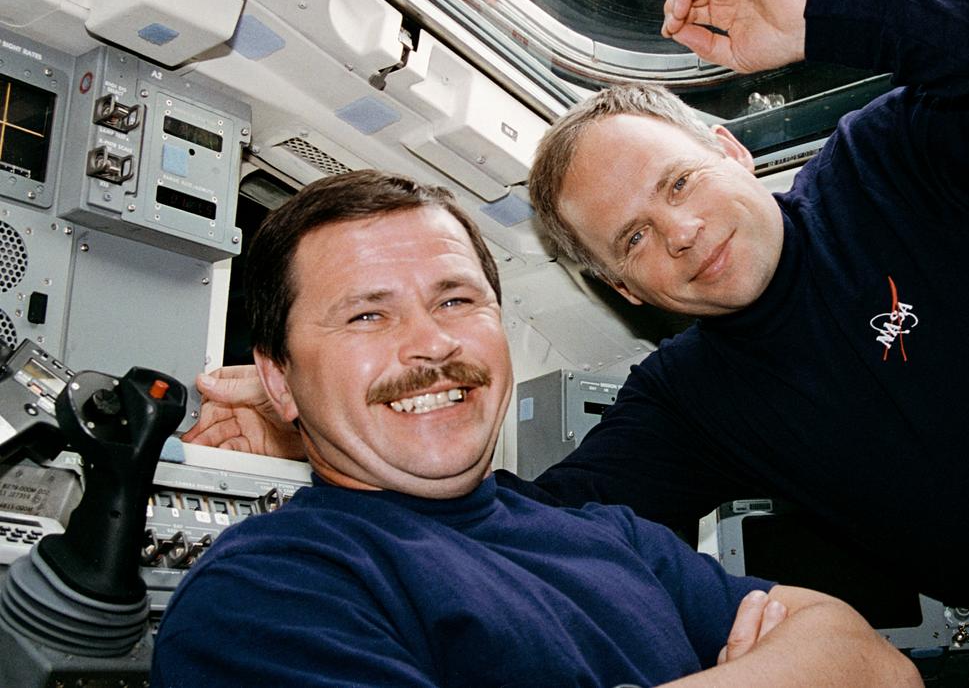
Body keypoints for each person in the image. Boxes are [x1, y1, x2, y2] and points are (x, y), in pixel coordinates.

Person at [185, 0, 969, 684]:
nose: (678, 234)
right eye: (631, 241)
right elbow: (522, 526)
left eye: (673, 185)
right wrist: (308, 430)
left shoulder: (876, 169)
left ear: (725, 149)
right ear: (625, 290)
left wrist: (824, 12)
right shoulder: (689, 399)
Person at [153, 170, 918, 688]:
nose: (432, 343)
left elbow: (879, 665)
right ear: (280, 378)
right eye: (367, 314)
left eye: (456, 300)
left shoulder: (616, 539)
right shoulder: (267, 590)